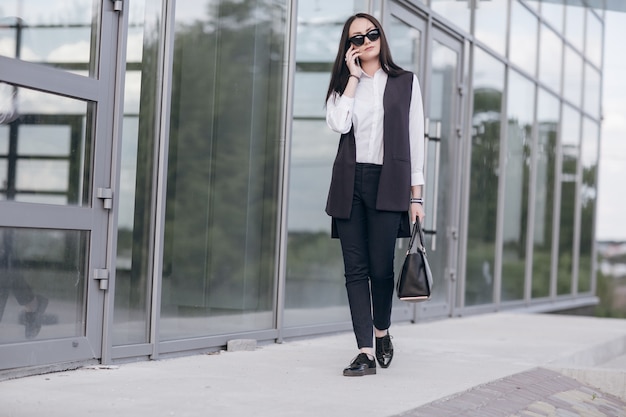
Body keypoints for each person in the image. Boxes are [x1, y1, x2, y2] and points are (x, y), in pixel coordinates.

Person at [325, 13, 425, 377]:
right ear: (349, 47)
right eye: (357, 38)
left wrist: (417, 198)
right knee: (355, 270)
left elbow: (416, 141)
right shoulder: (342, 84)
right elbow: (339, 124)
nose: (366, 41)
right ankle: (365, 350)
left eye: (371, 33)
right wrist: (352, 78)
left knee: (381, 269)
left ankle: (382, 331)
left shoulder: (405, 83)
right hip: (350, 182)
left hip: (389, 181)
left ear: (381, 36)